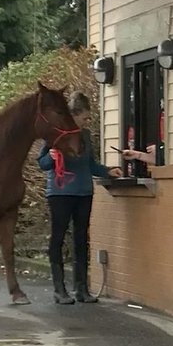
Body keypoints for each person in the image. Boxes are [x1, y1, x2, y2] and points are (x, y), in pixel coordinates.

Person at [38, 91, 122, 304]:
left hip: (84, 191)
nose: (86, 122)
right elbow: (43, 164)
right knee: (58, 237)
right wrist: (51, 156)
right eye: (84, 118)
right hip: (60, 192)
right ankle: (59, 289)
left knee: (81, 238)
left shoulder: (84, 136)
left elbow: (90, 164)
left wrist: (107, 171)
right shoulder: (56, 133)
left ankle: (81, 288)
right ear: (73, 115)